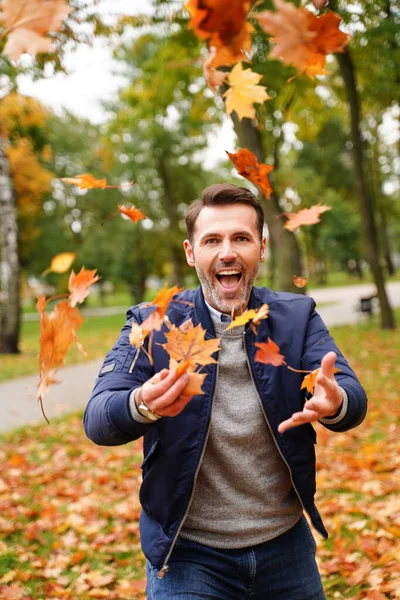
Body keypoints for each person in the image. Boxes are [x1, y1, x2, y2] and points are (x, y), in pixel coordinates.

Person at [84, 183, 367, 599]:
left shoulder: (297, 316)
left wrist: (336, 401)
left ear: (262, 248)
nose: (227, 252)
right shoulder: (152, 324)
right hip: (188, 554)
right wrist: (142, 403)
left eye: (241, 238)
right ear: (190, 251)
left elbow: (350, 395)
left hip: (285, 546)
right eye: (212, 240)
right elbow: (98, 418)